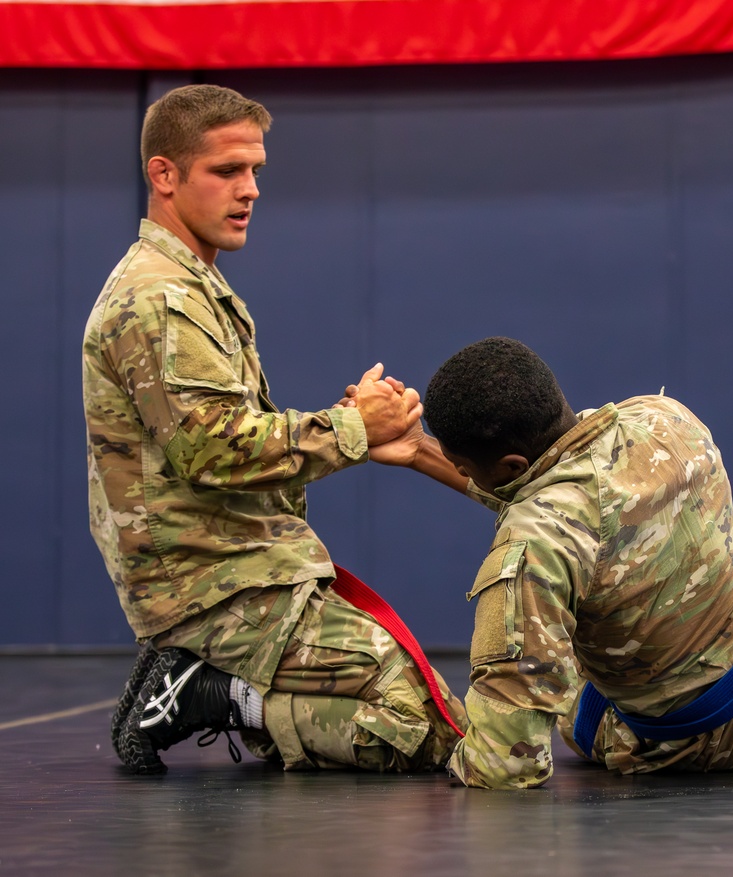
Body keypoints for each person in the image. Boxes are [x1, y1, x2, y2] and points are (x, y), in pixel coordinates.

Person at [83, 84, 467, 775]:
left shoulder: (192, 285)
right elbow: (212, 449)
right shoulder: (159, 300)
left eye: (255, 170)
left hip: (246, 571)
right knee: (427, 726)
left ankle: (204, 682)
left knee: (435, 712)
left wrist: (366, 434)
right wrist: (351, 426)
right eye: (227, 171)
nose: (251, 189)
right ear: (163, 175)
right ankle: (210, 692)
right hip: (216, 590)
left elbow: (220, 436)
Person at [414, 336, 733, 790]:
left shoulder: (529, 550)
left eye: (462, 468)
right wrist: (417, 449)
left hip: (674, 750)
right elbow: (555, 495)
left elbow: (508, 764)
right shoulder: (662, 419)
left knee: (546, 683)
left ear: (510, 468)